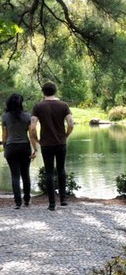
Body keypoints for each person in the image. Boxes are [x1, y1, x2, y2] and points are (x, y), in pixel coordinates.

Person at [30, 82, 74, 211]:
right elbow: (71, 123)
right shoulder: (63, 105)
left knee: (49, 172)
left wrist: (36, 139)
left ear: (43, 92)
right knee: (61, 170)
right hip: (60, 143)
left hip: (46, 144)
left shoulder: (38, 106)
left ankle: (51, 203)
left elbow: (32, 127)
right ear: (55, 91)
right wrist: (66, 135)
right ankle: (63, 200)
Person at [2, 94, 37, 209]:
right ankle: (27, 200)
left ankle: (18, 202)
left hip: (11, 148)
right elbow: (31, 135)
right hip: (24, 147)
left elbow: (4, 136)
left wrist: (5, 149)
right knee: (25, 175)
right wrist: (35, 149)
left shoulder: (5, 116)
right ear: (21, 103)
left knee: (15, 176)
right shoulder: (27, 116)